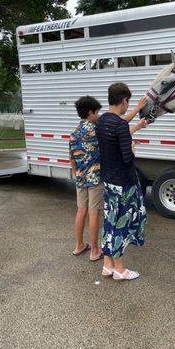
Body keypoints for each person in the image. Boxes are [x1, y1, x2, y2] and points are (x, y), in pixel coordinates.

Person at [70, 95, 147, 261]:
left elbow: (72, 158)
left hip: (80, 177)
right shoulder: (95, 129)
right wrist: (137, 113)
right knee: (94, 213)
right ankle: (94, 251)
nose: (99, 115)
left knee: (81, 211)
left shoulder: (74, 133)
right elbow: (119, 131)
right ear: (90, 112)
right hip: (96, 177)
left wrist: (76, 173)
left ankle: (79, 246)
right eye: (97, 112)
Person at [96, 82, 148, 281]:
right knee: (122, 224)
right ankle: (120, 269)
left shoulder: (102, 121)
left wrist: (135, 127)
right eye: (129, 103)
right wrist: (133, 148)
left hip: (108, 182)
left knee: (110, 221)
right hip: (124, 184)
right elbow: (127, 158)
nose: (129, 106)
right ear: (124, 100)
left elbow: (118, 132)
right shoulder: (119, 125)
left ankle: (107, 265)